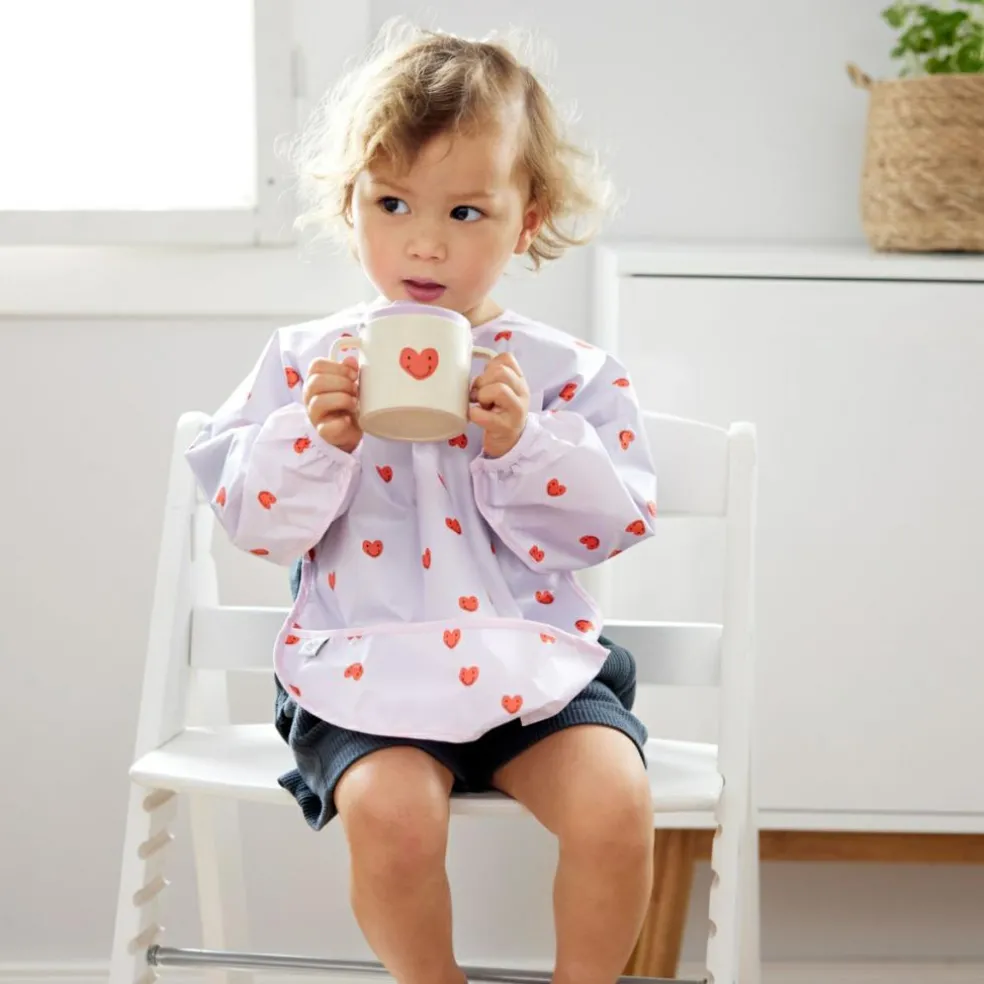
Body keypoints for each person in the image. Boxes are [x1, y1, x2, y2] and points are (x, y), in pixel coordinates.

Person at [185, 20, 659, 984]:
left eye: (467, 211)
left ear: (527, 220)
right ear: (350, 204)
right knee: (391, 815)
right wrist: (314, 440)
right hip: (366, 664)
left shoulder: (565, 374)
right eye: (392, 202)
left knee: (615, 804)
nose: (425, 241)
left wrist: (525, 444)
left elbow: (613, 523)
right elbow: (252, 520)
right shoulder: (305, 363)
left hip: (533, 665)